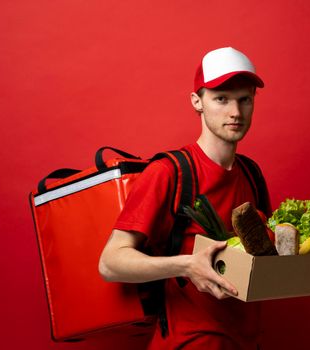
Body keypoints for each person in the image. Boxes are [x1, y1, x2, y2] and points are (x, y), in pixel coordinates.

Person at [99, 47, 270, 349]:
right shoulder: (169, 171)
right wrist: (187, 265)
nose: (236, 112)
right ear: (197, 102)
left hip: (247, 339)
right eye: (221, 99)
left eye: (245, 99)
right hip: (191, 341)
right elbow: (110, 263)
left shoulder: (252, 174)